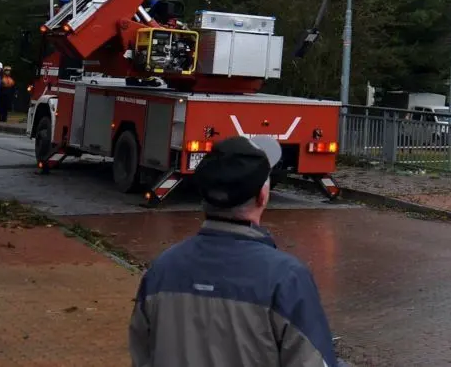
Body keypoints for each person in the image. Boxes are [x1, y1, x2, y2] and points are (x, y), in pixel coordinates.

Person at [129, 136, 337, 366]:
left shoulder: (161, 270)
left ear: (204, 197)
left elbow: (142, 354)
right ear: (262, 197)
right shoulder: (286, 279)